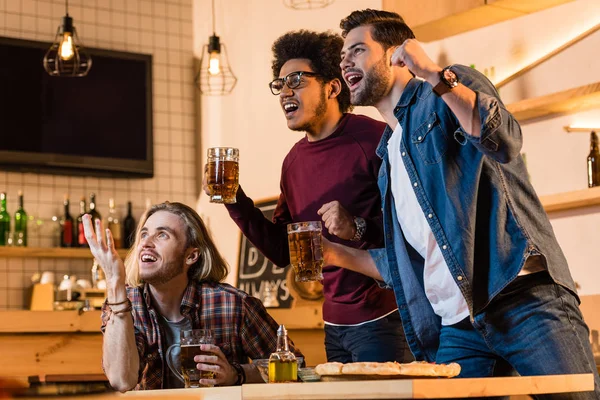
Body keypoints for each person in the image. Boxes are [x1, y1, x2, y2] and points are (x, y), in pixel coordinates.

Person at [320, 8, 600, 397]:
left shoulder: (445, 88)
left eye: (356, 49)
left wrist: (433, 72)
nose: (344, 61)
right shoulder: (388, 156)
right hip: (459, 324)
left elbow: (503, 140)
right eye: (341, 55)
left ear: (397, 52)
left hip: (522, 298)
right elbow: (408, 264)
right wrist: (333, 253)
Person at [208, 30, 411, 364]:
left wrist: (358, 226)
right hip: (333, 324)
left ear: (332, 87)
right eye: (280, 83)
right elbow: (281, 251)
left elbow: (414, 231)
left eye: (297, 80)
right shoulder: (293, 162)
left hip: (386, 320)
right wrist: (234, 199)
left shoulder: (375, 139)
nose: (285, 91)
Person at [83, 202, 303, 391]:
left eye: (162, 235)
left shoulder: (233, 304)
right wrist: (114, 283)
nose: (146, 243)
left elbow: (297, 366)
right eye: (144, 234)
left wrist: (236, 374)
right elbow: (122, 380)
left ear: (191, 255)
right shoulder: (126, 303)